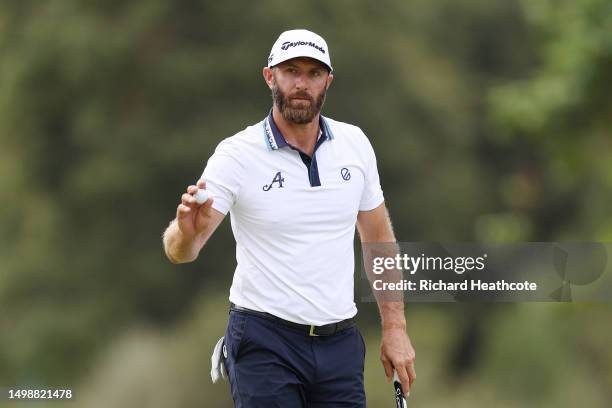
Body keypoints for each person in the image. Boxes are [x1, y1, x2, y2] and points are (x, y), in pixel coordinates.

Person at [162, 29, 416, 407]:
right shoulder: (236, 154)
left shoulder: (355, 145)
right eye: (291, 71)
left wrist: (395, 328)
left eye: (314, 73)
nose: (302, 83)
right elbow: (183, 251)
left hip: (340, 344)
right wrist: (184, 233)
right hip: (265, 341)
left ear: (327, 81)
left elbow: (378, 240)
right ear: (270, 76)